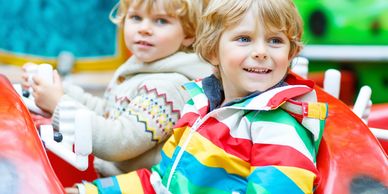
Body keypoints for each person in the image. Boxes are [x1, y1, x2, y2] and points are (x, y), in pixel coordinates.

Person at [67, 0, 328, 193]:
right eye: (244, 38)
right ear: (213, 51)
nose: (261, 51)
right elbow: (162, 182)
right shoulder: (199, 106)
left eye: (275, 41)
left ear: (290, 54)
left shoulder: (277, 129)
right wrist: (89, 191)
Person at [22, 0, 212, 177]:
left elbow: (117, 142)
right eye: (136, 17)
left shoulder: (166, 89)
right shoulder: (143, 69)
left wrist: (58, 104)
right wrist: (61, 91)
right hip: (110, 174)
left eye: (161, 21)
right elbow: (107, 112)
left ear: (188, 34)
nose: (144, 29)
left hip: (128, 184)